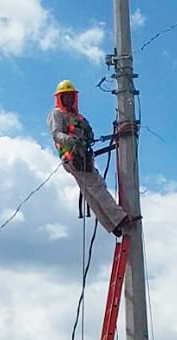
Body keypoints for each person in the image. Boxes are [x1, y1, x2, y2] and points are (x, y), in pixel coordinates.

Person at [47, 79, 131, 237]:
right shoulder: (57, 113)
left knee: (90, 192)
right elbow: (56, 134)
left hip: (82, 155)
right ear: (60, 98)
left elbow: (88, 132)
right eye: (66, 96)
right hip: (72, 156)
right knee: (97, 186)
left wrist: (88, 137)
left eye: (71, 96)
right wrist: (71, 140)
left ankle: (112, 225)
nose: (70, 99)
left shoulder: (77, 116)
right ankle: (119, 218)